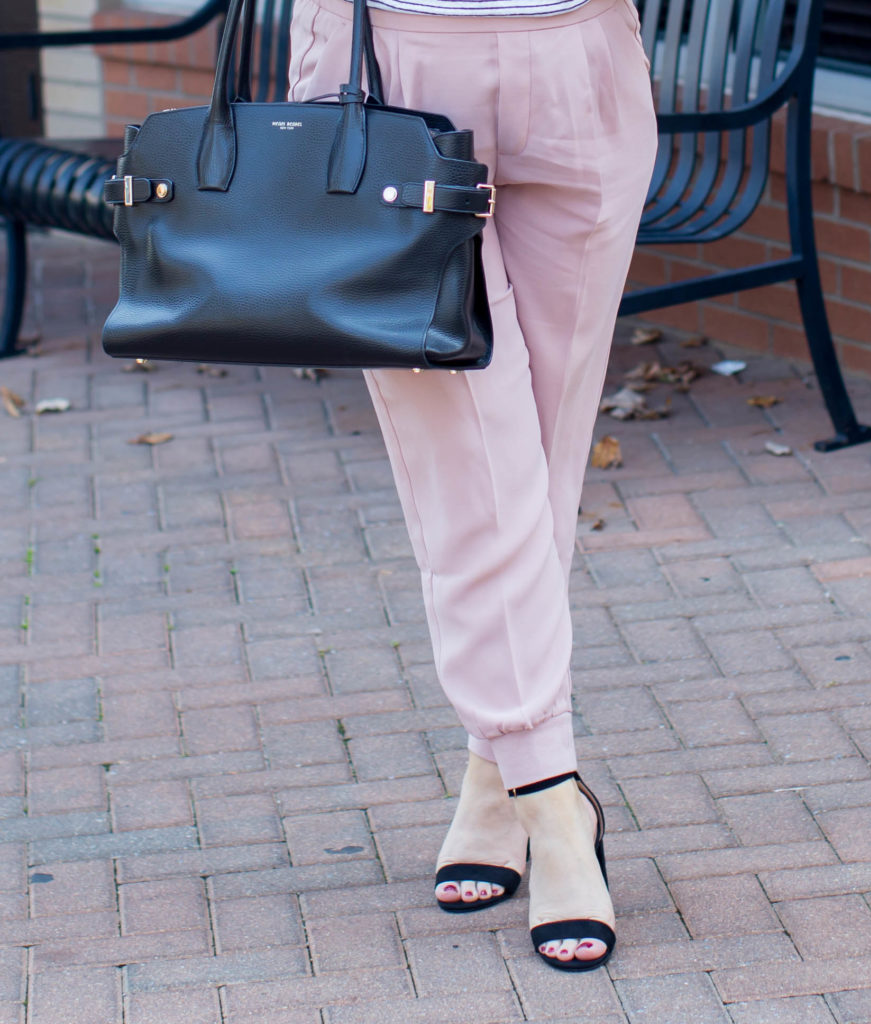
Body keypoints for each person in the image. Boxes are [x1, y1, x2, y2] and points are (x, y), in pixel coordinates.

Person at [289, 0, 657, 972]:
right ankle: (554, 804)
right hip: (393, 64)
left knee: (538, 464)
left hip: (582, 61)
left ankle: (490, 778)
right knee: (467, 469)